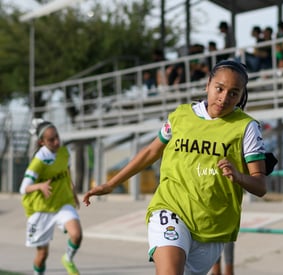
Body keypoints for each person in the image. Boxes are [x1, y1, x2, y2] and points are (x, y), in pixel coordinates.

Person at [83, 60, 268, 275]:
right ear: (207, 84)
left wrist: (239, 177)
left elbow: (260, 185)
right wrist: (111, 184)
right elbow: (151, 152)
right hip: (171, 208)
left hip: (213, 225)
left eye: (233, 93)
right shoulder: (181, 115)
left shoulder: (246, 127)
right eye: (219, 88)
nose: (224, 97)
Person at [20, 120, 82, 275]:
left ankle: (67, 258)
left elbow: (67, 172)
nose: (56, 142)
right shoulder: (39, 161)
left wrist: (73, 193)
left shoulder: (63, 152)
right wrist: (40, 186)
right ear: (42, 142)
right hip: (41, 209)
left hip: (62, 202)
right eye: (51, 140)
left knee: (77, 235)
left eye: (57, 137)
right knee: (42, 255)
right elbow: (23, 188)